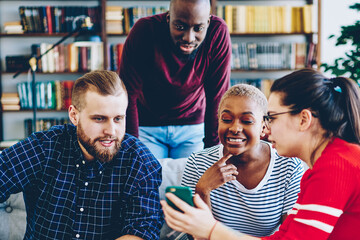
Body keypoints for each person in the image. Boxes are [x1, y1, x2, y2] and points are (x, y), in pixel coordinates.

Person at [161, 68, 360, 239]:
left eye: (271, 118)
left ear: (303, 120)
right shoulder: (318, 170)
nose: (267, 129)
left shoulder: (336, 167)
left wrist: (211, 229)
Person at [0, 70, 163, 240]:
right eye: (99, 119)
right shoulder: (44, 147)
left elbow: (143, 232)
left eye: (118, 119)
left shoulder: (138, 160)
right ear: (74, 116)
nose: (111, 131)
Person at [181, 84, 304, 237]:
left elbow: (292, 235)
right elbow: (196, 236)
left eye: (247, 121)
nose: (235, 128)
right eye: (226, 119)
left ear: (264, 126)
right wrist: (202, 190)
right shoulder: (198, 163)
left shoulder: (288, 165)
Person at [119, 0, 231, 159]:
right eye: (180, 27)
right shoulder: (144, 31)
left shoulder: (218, 32)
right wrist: (132, 147)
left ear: (208, 22)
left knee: (191, 183)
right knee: (149, 181)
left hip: (193, 129)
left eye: (198, 28)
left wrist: (212, 154)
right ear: (168, 18)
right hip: (147, 128)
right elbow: (127, 94)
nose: (189, 38)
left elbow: (217, 97)